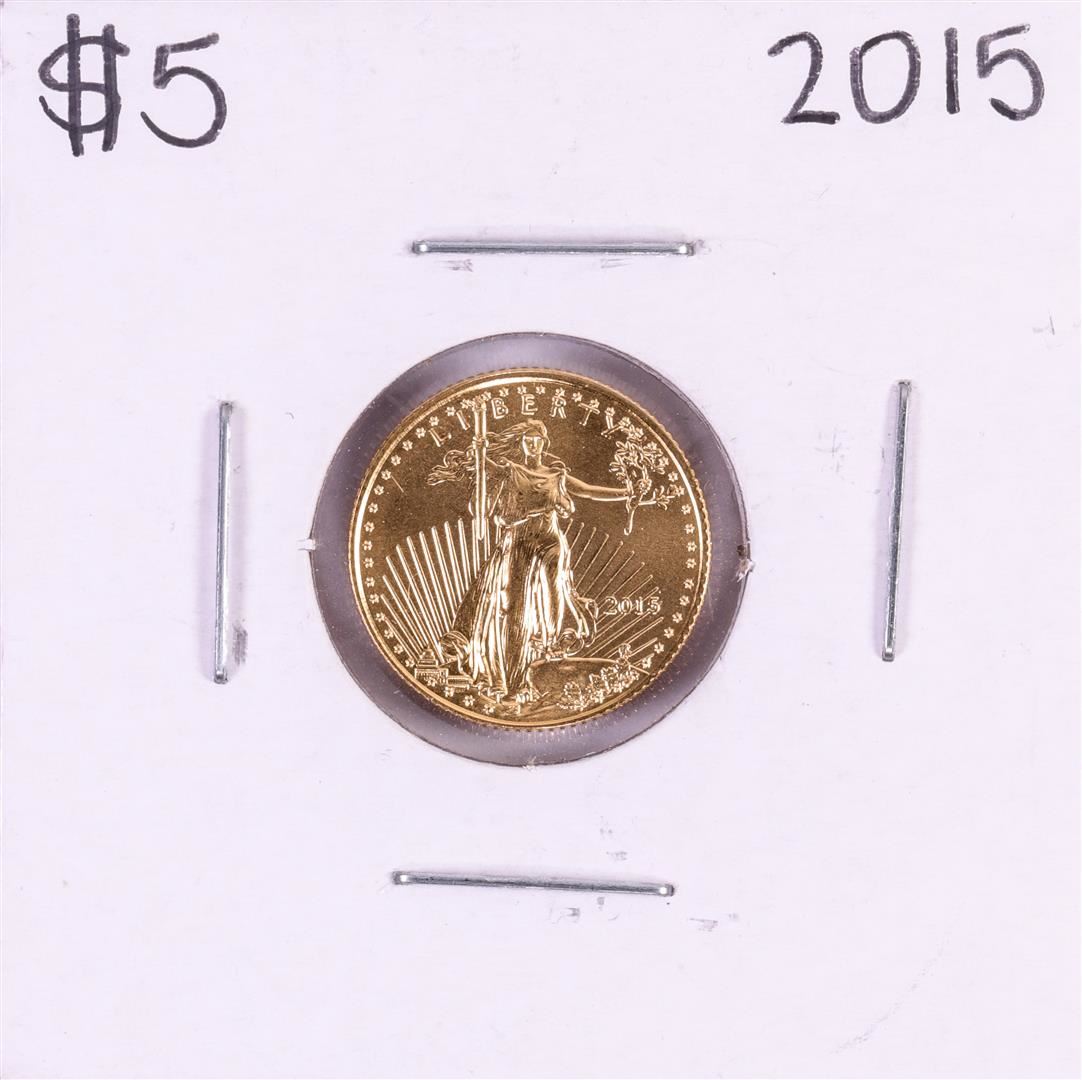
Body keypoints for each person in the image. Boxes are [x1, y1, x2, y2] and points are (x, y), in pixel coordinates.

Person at [428, 419, 631, 703]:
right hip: (519, 542)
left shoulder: (556, 475)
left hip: (550, 541)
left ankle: (552, 646)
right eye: (528, 440)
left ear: (544, 444)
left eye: (537, 440)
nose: (532, 444)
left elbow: (586, 490)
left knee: (555, 598)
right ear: (522, 443)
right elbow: (486, 468)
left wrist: (627, 494)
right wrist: (479, 452)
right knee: (514, 608)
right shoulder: (511, 471)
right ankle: (513, 678)